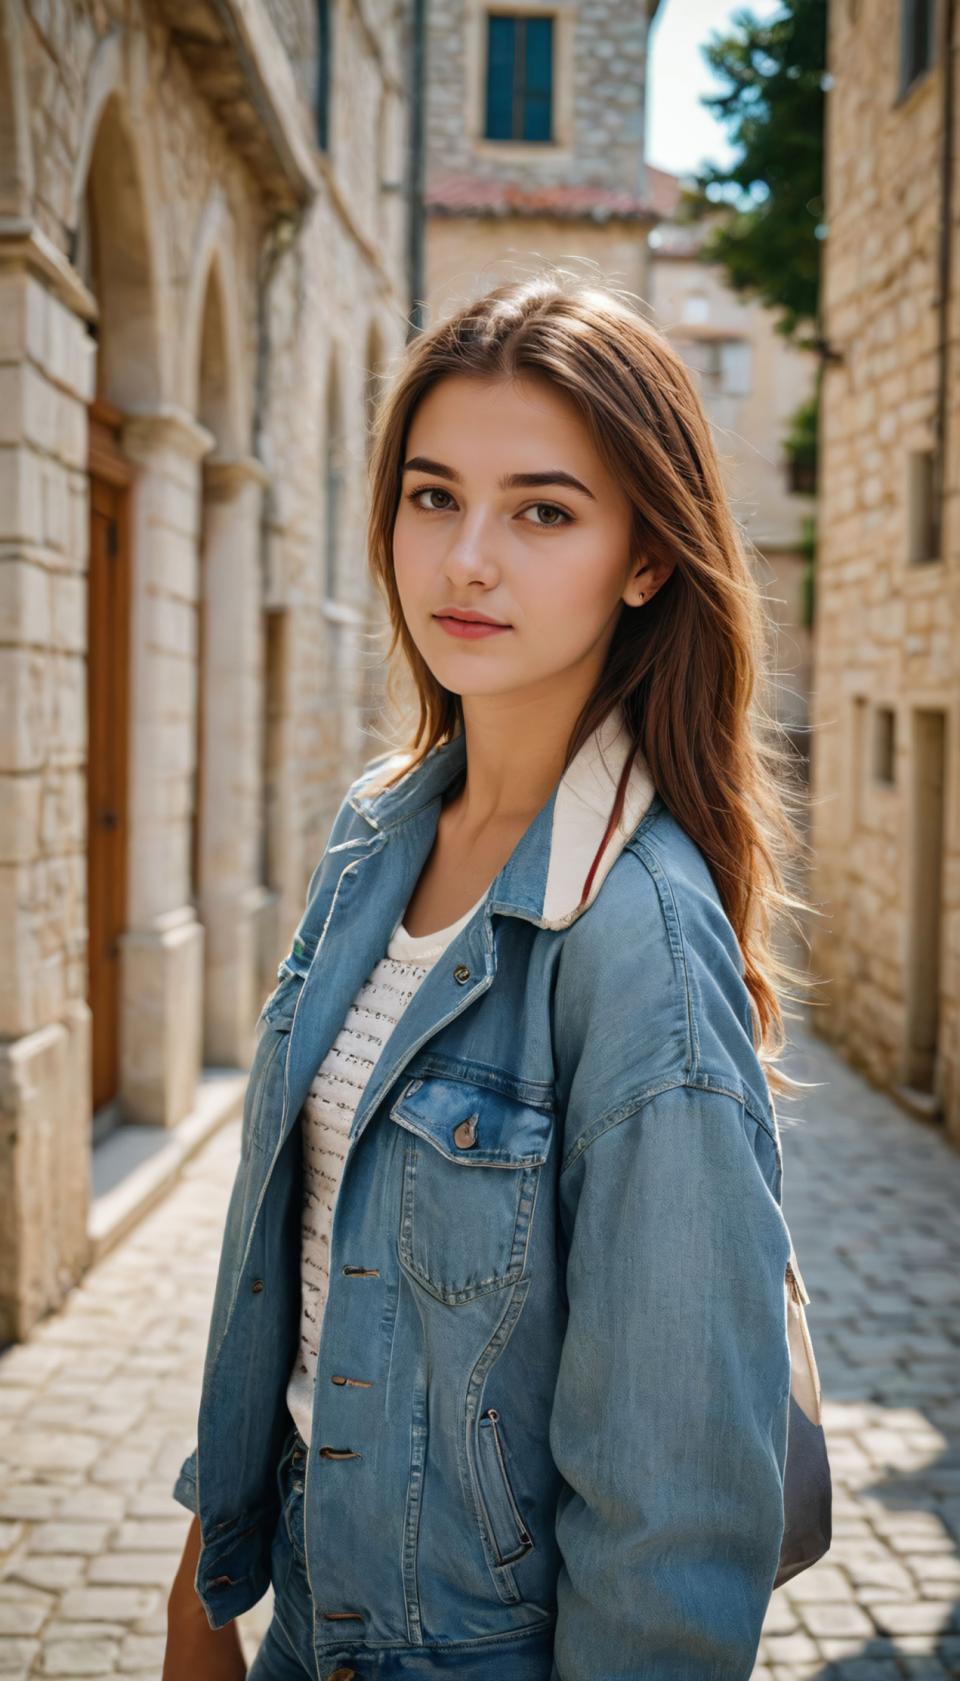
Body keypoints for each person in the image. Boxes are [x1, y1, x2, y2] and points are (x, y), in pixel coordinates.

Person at [163, 267, 812, 1681]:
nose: (467, 559)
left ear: (646, 557)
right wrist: (201, 1593)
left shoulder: (639, 938)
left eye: (543, 511)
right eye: (433, 494)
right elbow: (287, 1266)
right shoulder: (370, 839)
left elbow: (677, 1515)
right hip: (297, 1632)